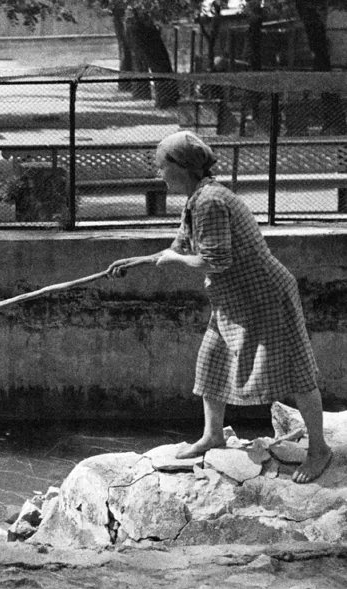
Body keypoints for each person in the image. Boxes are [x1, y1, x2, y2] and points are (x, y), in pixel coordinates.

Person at [107, 130, 332, 484]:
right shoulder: (197, 197)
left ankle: (319, 448)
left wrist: (173, 260)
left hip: (265, 295)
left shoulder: (210, 201)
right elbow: (179, 248)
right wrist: (133, 262)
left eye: (161, 166)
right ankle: (213, 434)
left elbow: (216, 260)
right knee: (211, 361)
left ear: (181, 167)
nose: (158, 174)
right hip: (234, 299)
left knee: (297, 371)